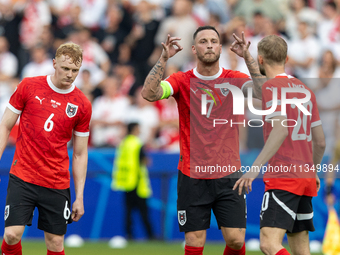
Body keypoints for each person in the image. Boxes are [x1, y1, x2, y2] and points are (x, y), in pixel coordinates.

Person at [141, 25, 264, 255]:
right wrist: (163, 58)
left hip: (229, 173)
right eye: (204, 41)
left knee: (236, 240)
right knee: (195, 241)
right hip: (192, 174)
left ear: (220, 47)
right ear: (194, 49)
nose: (209, 45)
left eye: (213, 41)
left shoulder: (234, 79)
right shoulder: (181, 80)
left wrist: (248, 57)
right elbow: (149, 93)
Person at [233, 34, 326, 255]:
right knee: (301, 247)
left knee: (268, 243)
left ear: (262, 60)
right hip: (304, 177)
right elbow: (320, 142)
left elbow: (281, 129)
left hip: (284, 177)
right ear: (286, 58)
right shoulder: (305, 91)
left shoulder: (272, 89)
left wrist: (253, 169)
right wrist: (313, 170)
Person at [0, 42, 92, 255]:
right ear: (54, 63)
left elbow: (79, 153)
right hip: (23, 175)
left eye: (75, 70)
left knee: (55, 243)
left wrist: (79, 196)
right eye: (65, 68)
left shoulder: (82, 104)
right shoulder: (29, 86)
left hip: (56, 182)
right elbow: (5, 125)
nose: (70, 74)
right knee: (12, 234)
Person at [111, 122, 154, 240]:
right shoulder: (137, 143)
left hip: (126, 182)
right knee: (143, 211)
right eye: (138, 128)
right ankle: (151, 236)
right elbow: (145, 160)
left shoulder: (124, 143)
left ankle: (129, 235)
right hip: (137, 182)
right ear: (134, 129)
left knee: (128, 211)